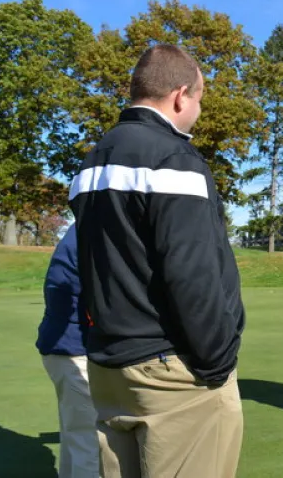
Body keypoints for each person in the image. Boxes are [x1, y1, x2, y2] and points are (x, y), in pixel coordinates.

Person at [68, 44, 246, 478]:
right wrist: (217, 363)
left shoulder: (94, 160)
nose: (198, 111)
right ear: (181, 95)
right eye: (200, 100)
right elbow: (191, 274)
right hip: (171, 374)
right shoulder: (174, 159)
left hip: (111, 366)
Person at [36, 223, 99, 478]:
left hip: (63, 348)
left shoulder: (84, 226)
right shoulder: (95, 230)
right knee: (92, 446)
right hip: (76, 350)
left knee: (77, 438)